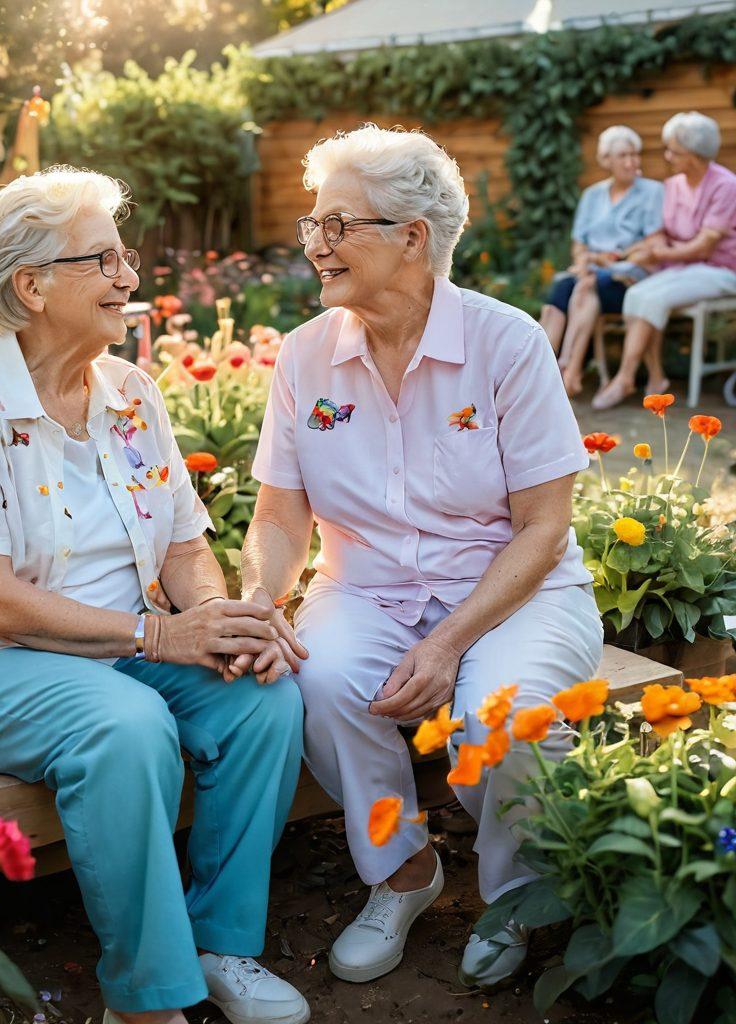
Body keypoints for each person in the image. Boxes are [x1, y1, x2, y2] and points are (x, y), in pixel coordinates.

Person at [0, 166, 310, 1024]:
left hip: (117, 649)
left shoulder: (131, 393)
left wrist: (218, 622)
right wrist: (159, 637)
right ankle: (143, 999)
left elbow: (186, 545)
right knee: (125, 726)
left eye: (126, 256)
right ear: (31, 286)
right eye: (104, 261)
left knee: (264, 697)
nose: (129, 276)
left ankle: (220, 946)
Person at [237, 125, 603, 988]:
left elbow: (544, 526)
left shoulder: (505, 343)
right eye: (312, 226)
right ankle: (402, 873)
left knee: (500, 716)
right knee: (321, 682)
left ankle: (514, 894)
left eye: (339, 226)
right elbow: (280, 513)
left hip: (512, 588)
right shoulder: (305, 356)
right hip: (364, 587)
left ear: (413, 237)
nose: (317, 246)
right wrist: (261, 594)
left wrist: (447, 644)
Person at [592, 111, 736, 409]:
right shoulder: (673, 186)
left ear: (693, 156)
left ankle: (626, 377)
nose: (667, 156)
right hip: (681, 268)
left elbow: (703, 248)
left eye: (673, 150)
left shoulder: (726, 186)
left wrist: (657, 253)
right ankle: (655, 379)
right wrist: (638, 250)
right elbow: (659, 232)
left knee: (653, 299)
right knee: (636, 294)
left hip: (719, 271)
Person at [539, 125, 663, 396]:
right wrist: (583, 260)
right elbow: (579, 242)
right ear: (606, 160)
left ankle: (569, 370)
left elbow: (654, 241)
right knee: (561, 288)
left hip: (627, 275)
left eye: (635, 155)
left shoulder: (653, 192)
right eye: (623, 156)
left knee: (586, 285)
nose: (631, 162)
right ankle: (539, 369)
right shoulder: (592, 195)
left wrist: (616, 256)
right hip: (592, 271)